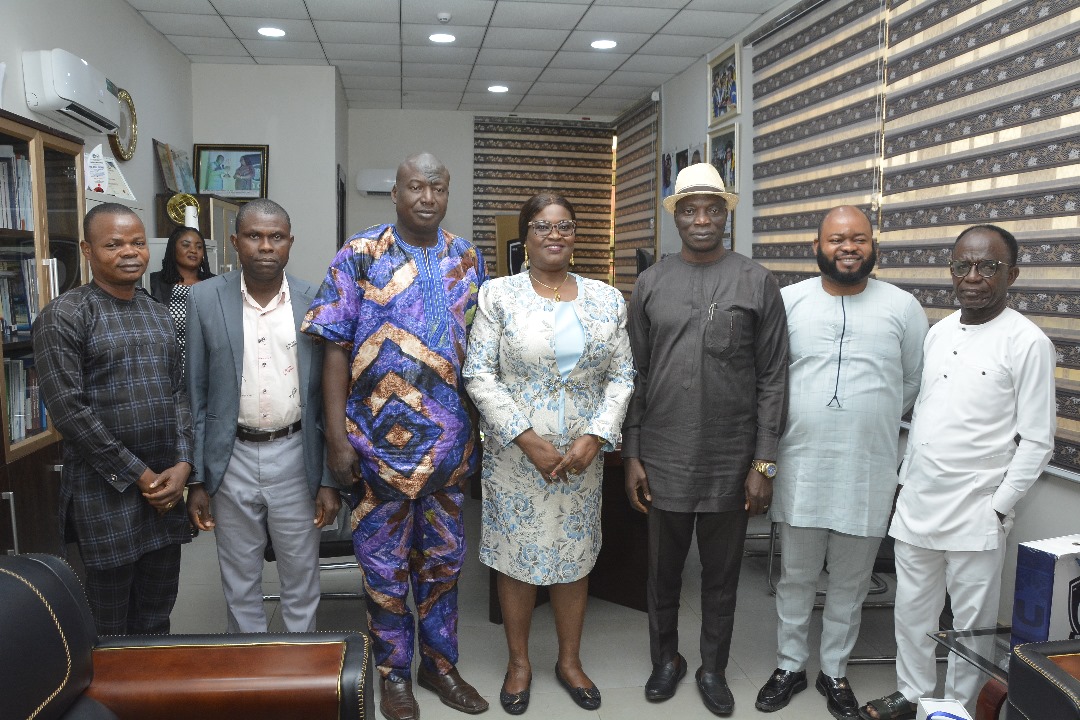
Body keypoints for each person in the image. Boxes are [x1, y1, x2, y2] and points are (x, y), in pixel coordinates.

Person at [302, 152, 489, 720]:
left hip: (449, 455)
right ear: (396, 193)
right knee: (383, 569)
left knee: (444, 565)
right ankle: (392, 673)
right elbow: (333, 346)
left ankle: (440, 665)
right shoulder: (359, 254)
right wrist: (336, 438)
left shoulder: (467, 259)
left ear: (447, 191)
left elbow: (483, 351)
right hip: (375, 451)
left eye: (436, 186)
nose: (426, 196)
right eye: (415, 186)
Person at [860, 225, 1057, 720]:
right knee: (912, 612)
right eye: (962, 266)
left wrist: (998, 505)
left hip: (977, 508)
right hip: (919, 501)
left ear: (1011, 274)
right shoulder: (939, 332)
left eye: (987, 267)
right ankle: (911, 694)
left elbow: (1037, 441)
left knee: (971, 623)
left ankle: (954, 708)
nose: (973, 277)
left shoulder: (1027, 342)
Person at [622, 163, 789, 716]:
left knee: (720, 579)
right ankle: (665, 661)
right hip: (663, 455)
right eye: (689, 209)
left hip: (730, 456)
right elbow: (635, 375)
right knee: (662, 574)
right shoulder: (651, 282)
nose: (701, 219)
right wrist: (633, 453)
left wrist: (763, 463)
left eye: (712, 208)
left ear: (726, 214)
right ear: (676, 216)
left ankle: (714, 669)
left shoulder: (756, 280)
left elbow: (773, 377)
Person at [463, 193, 636, 715]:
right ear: (526, 236)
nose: (554, 234)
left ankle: (569, 660)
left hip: (582, 460)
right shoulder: (498, 296)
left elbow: (622, 375)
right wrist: (527, 438)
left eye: (565, 225)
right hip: (516, 458)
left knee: (574, 558)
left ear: (576, 234)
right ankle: (519, 663)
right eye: (542, 226)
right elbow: (479, 373)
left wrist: (598, 435)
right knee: (516, 562)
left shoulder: (607, 299)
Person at [754, 206, 928, 718]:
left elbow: (914, 379)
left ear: (874, 246)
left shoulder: (903, 306)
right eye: (836, 239)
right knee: (798, 576)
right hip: (801, 464)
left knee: (850, 581)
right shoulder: (788, 302)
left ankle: (834, 672)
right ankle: (790, 665)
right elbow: (768, 378)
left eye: (858, 239)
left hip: (868, 468)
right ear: (817, 246)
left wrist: (866, 417)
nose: (847, 247)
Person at [33, 202, 193, 635]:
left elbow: (178, 394)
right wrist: (140, 476)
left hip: (164, 492)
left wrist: (182, 465)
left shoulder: (159, 314)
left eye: (138, 242)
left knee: (157, 615)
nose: (129, 252)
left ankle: (152, 701)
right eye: (114, 243)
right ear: (87, 250)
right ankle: (108, 705)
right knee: (106, 627)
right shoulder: (65, 315)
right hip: (105, 493)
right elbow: (70, 412)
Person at [185, 198, 340, 634]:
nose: (265, 246)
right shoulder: (203, 299)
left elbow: (332, 398)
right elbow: (195, 393)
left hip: (296, 454)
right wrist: (198, 478)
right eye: (254, 236)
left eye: (276, 237)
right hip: (230, 456)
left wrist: (327, 478)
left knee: (301, 577)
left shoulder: (317, 301)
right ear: (236, 242)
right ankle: (248, 672)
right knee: (238, 579)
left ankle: (298, 672)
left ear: (290, 243)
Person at [149, 225, 215, 366]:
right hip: (167, 366)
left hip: (207, 367)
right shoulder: (155, 283)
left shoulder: (215, 284)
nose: (193, 250)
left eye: (199, 247)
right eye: (186, 245)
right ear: (173, 249)